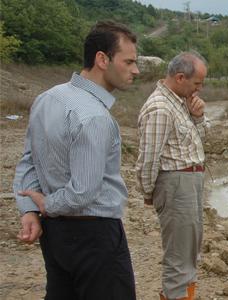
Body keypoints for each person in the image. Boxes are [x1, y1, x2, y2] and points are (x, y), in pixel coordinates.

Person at [13, 20, 139, 300]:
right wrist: (46, 205)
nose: (136, 70)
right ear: (102, 59)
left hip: (55, 236)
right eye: (129, 61)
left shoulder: (47, 98)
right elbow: (83, 191)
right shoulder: (94, 116)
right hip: (94, 234)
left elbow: (28, 162)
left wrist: (29, 210)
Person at [136, 51, 210, 300]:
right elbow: (148, 159)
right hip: (177, 185)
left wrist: (198, 117)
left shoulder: (180, 103)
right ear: (180, 77)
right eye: (197, 83)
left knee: (189, 252)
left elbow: (199, 141)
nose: (199, 89)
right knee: (179, 258)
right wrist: (150, 193)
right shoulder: (160, 108)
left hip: (187, 184)